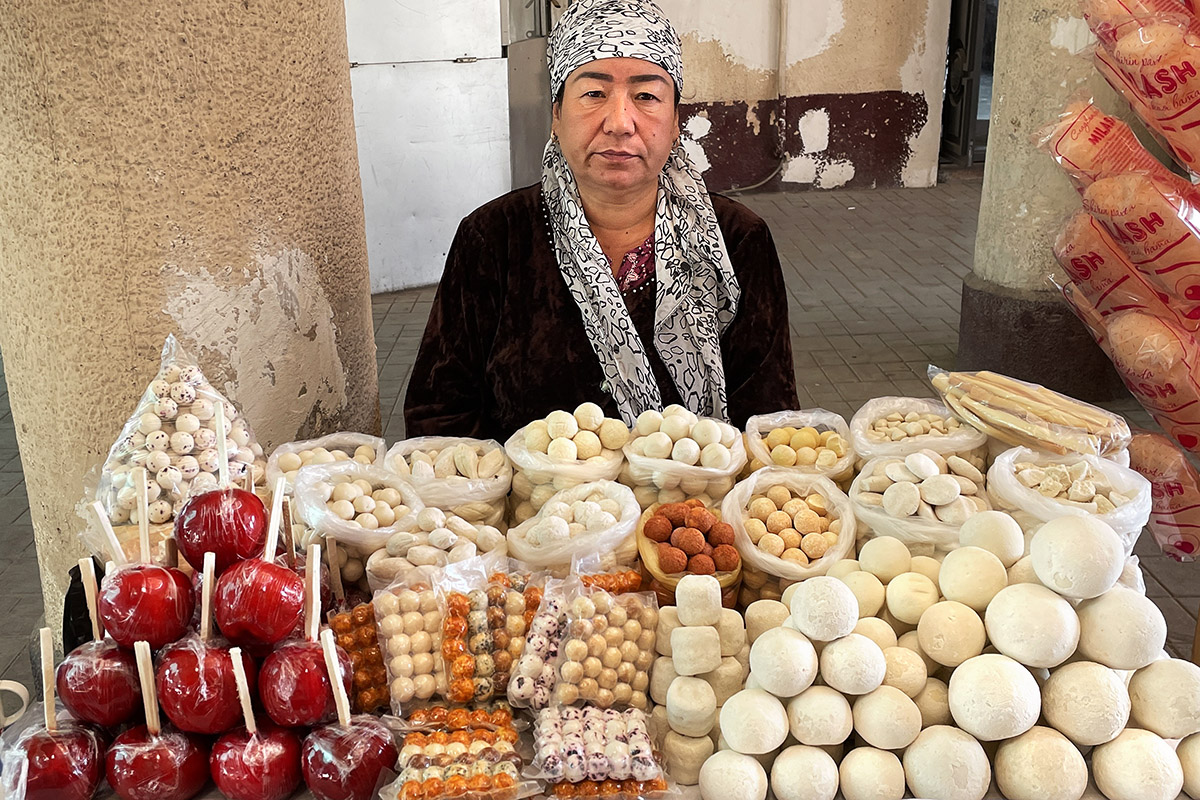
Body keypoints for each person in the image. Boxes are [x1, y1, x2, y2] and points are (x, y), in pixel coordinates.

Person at [404, 0, 797, 441]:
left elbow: (770, 423)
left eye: (646, 96)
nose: (620, 122)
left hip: (694, 506)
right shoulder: (494, 238)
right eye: (593, 94)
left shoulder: (737, 240)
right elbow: (439, 412)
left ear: (674, 122)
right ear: (556, 115)